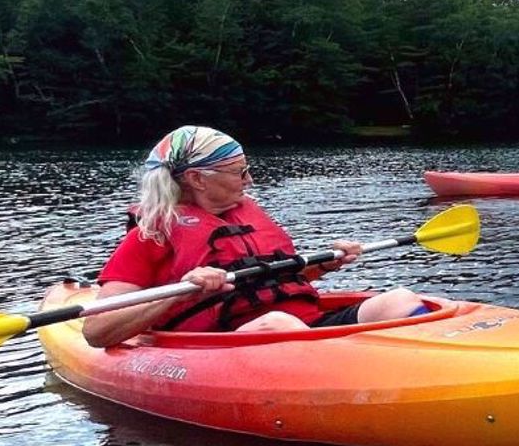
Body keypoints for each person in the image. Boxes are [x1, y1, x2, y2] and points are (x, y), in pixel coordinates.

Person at [83, 125, 426, 348]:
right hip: (226, 344)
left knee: (397, 298)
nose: (249, 181)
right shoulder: (150, 235)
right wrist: (178, 293)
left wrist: (323, 266)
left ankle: (436, 373)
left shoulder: (244, 216)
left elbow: (263, 282)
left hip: (305, 326)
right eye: (239, 172)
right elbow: (97, 331)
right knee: (277, 324)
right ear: (197, 179)